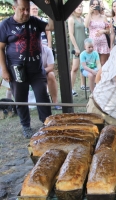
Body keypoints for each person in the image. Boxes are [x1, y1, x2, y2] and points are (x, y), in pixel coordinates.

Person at [0, 0, 54, 138]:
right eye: (22, 9)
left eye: (28, 9)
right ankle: (26, 126)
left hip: (36, 68)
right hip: (16, 70)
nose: (26, 13)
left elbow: (51, 26)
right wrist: (4, 70)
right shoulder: (5, 25)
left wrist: (49, 8)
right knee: (21, 99)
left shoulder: (35, 21)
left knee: (42, 96)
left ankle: (47, 124)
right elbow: (0, 48)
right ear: (14, 8)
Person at [68, 3, 87, 97]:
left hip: (84, 45)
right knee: (75, 68)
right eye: (77, 7)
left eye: (81, 7)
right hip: (76, 46)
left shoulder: (83, 19)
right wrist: (75, 47)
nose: (79, 8)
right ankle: (70, 89)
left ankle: (82, 85)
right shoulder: (71, 19)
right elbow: (71, 34)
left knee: (83, 65)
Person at [84, 0, 110, 67]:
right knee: (93, 64)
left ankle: (102, 77)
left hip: (103, 43)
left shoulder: (103, 17)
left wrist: (102, 31)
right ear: (90, 6)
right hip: (93, 43)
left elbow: (108, 30)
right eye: (93, 4)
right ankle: (95, 77)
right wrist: (90, 12)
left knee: (103, 63)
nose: (95, 6)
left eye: (97, 4)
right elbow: (86, 25)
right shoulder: (88, 16)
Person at [41, 43, 61, 110]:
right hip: (31, 74)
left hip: (43, 72)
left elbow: (51, 67)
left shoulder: (47, 50)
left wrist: (40, 72)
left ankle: (55, 102)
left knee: (51, 74)